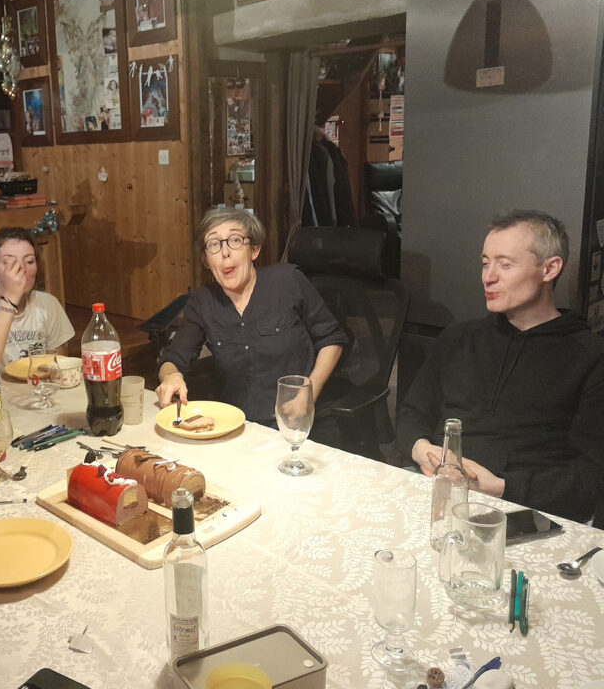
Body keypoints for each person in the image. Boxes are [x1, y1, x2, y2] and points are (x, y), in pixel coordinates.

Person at [397, 211, 604, 523]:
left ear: (549, 269)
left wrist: (498, 487)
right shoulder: (457, 338)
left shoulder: (590, 356)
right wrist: (423, 450)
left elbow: (589, 477)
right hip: (436, 489)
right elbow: (412, 412)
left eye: (505, 265)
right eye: (485, 263)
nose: (488, 277)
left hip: (525, 511)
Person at [156, 207, 347, 424]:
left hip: (300, 421)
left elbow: (332, 339)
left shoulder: (287, 280)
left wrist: (310, 393)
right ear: (207, 260)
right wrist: (171, 376)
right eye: (214, 244)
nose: (225, 252)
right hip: (239, 426)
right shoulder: (203, 301)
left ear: (254, 250)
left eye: (235, 241)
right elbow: (173, 358)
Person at [0, 227, 75, 366]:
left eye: (29, 261)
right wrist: (10, 299)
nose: (21, 269)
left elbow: (57, 366)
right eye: (9, 263)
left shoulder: (49, 304)